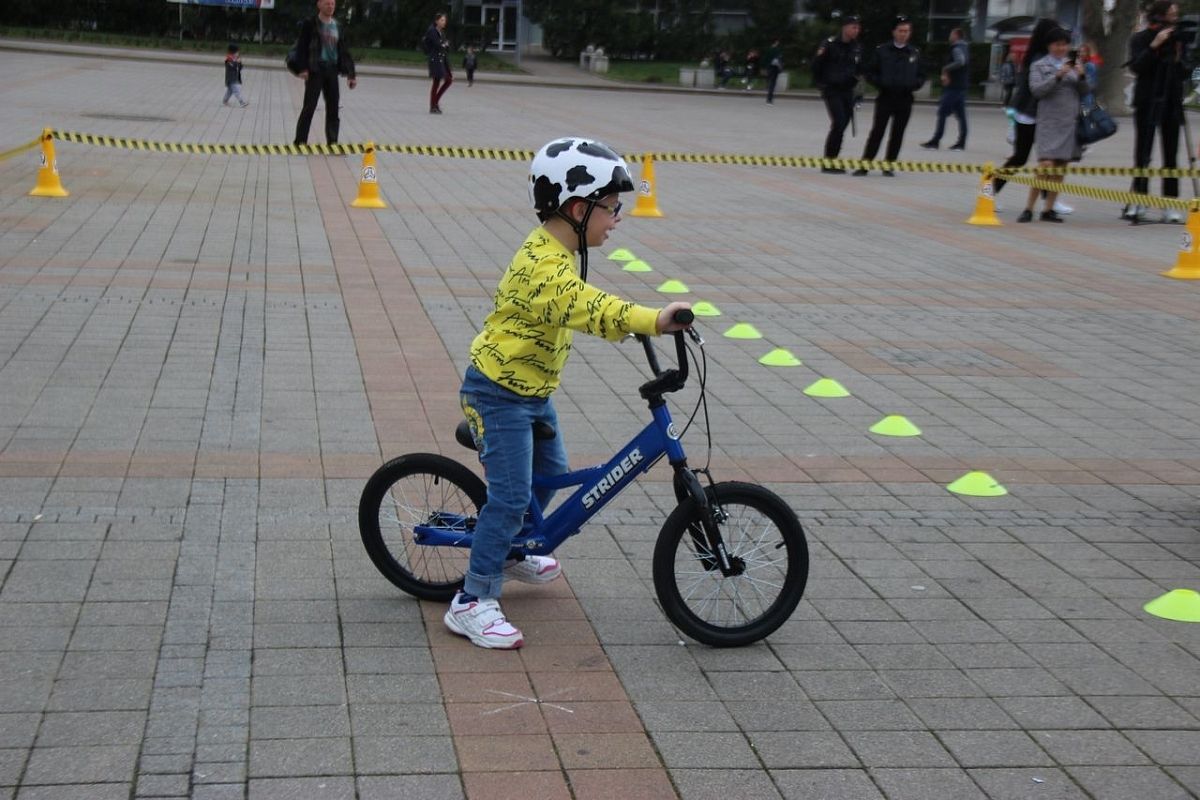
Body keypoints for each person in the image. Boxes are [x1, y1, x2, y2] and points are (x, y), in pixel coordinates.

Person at [447, 137, 693, 650]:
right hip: (498, 394)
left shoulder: (563, 249)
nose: (617, 217)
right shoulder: (543, 265)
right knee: (511, 496)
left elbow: (582, 306)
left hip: (532, 392)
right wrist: (652, 319)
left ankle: (511, 547)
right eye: (611, 207)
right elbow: (586, 306)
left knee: (549, 473)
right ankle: (472, 600)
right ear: (579, 208)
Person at [992, 18, 1075, 215]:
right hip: (1030, 115)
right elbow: (1039, 90)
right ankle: (988, 192)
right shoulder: (1039, 58)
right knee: (1022, 157)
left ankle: (1050, 201)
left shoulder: (1044, 55)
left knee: (1049, 159)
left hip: (1043, 116)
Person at [1017, 28, 1088, 223]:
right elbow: (1037, 90)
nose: (1061, 48)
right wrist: (1057, 76)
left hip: (1069, 121)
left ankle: (1048, 209)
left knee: (1060, 167)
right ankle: (1028, 207)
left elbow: (1085, 91)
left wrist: (1081, 75)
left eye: (1064, 44)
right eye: (1057, 44)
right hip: (1048, 121)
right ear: (1049, 46)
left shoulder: (1075, 64)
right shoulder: (1039, 65)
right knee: (1044, 166)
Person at [1127, 1, 1186, 222]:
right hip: (1147, 100)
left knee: (1171, 154)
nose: (1174, 18)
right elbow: (1137, 67)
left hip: (1171, 100)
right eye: (1171, 14)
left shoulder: (1179, 39)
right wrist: (1155, 45)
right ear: (1160, 15)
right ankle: (1139, 200)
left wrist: (1180, 59)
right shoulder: (1140, 38)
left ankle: (1169, 203)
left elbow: (1187, 70)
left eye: (1176, 14)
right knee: (1143, 152)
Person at [853, 15, 925, 177]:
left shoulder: (914, 52)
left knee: (898, 133)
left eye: (907, 31)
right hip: (886, 97)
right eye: (901, 31)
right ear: (894, 32)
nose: (904, 34)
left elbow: (922, 74)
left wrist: (914, 84)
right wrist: (881, 82)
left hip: (905, 98)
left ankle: (889, 165)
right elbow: (871, 72)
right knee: (877, 131)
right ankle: (865, 165)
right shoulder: (882, 51)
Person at [292, 0, 357, 146]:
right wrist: (302, 68)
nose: (331, 6)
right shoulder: (311, 24)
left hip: (332, 70)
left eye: (333, 4)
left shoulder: (338, 26)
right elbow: (302, 46)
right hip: (316, 69)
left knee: (333, 107)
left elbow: (345, 52)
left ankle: (333, 142)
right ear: (319, 5)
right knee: (310, 106)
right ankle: (300, 141)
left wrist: (351, 75)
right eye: (327, 3)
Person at [812, 14, 863, 173]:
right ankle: (828, 161)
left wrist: (859, 93)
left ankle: (833, 158)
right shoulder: (830, 44)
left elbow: (860, 71)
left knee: (842, 125)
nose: (856, 30)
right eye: (853, 27)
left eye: (858, 27)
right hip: (832, 90)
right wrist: (821, 84)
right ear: (845, 27)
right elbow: (816, 65)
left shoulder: (857, 47)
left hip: (847, 91)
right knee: (839, 122)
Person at [920, 28, 970, 150]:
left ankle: (936, 140)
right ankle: (961, 142)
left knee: (942, 112)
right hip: (961, 85)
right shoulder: (965, 48)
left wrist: (945, 69)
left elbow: (960, 61)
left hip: (953, 86)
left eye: (951, 34)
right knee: (961, 115)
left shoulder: (957, 48)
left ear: (956, 35)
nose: (949, 37)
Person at [424, 12, 453, 113]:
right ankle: (433, 106)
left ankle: (435, 102)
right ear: (437, 21)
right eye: (442, 20)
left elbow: (445, 45)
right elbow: (438, 45)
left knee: (449, 80)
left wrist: (445, 44)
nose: (444, 22)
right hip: (435, 60)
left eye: (444, 20)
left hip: (443, 60)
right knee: (436, 82)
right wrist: (444, 44)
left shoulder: (441, 32)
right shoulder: (432, 31)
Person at [222, 43, 249, 108]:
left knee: (230, 91)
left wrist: (239, 63)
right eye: (237, 52)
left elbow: (240, 68)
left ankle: (225, 100)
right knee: (236, 91)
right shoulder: (228, 59)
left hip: (235, 77)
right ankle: (242, 102)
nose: (238, 53)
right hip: (230, 78)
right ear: (232, 52)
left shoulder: (235, 59)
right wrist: (237, 62)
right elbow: (233, 66)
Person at [765, 39, 784, 104]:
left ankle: (769, 98)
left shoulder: (768, 50)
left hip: (769, 68)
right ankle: (769, 99)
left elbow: (765, 59)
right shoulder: (776, 50)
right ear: (776, 42)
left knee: (770, 82)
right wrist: (780, 67)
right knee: (772, 83)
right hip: (774, 68)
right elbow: (777, 60)